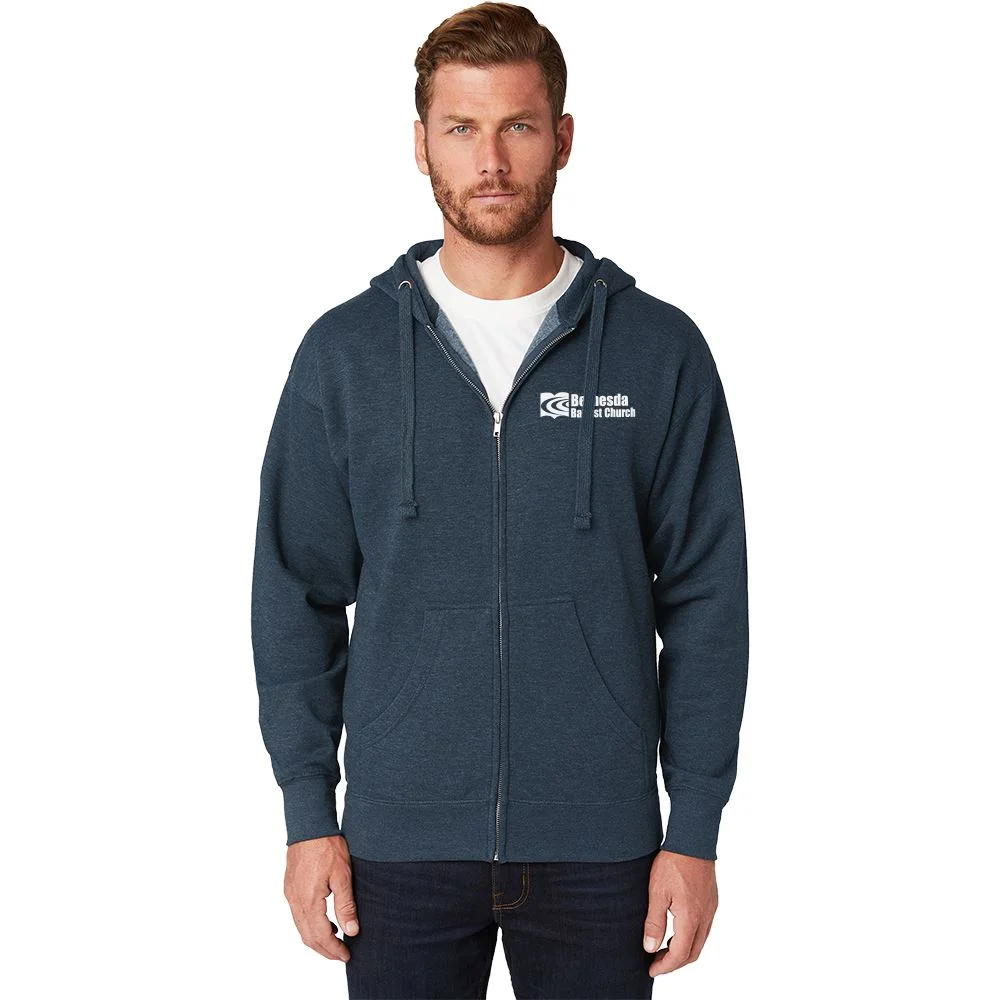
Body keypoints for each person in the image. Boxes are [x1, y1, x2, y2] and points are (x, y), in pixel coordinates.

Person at [251, 3, 749, 996]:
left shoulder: (657, 351)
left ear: (562, 137)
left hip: (602, 846)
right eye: (461, 128)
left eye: (517, 125)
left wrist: (693, 828)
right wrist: (309, 814)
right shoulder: (345, 355)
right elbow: (294, 595)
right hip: (396, 846)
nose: (490, 160)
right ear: (421, 144)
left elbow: (707, 603)